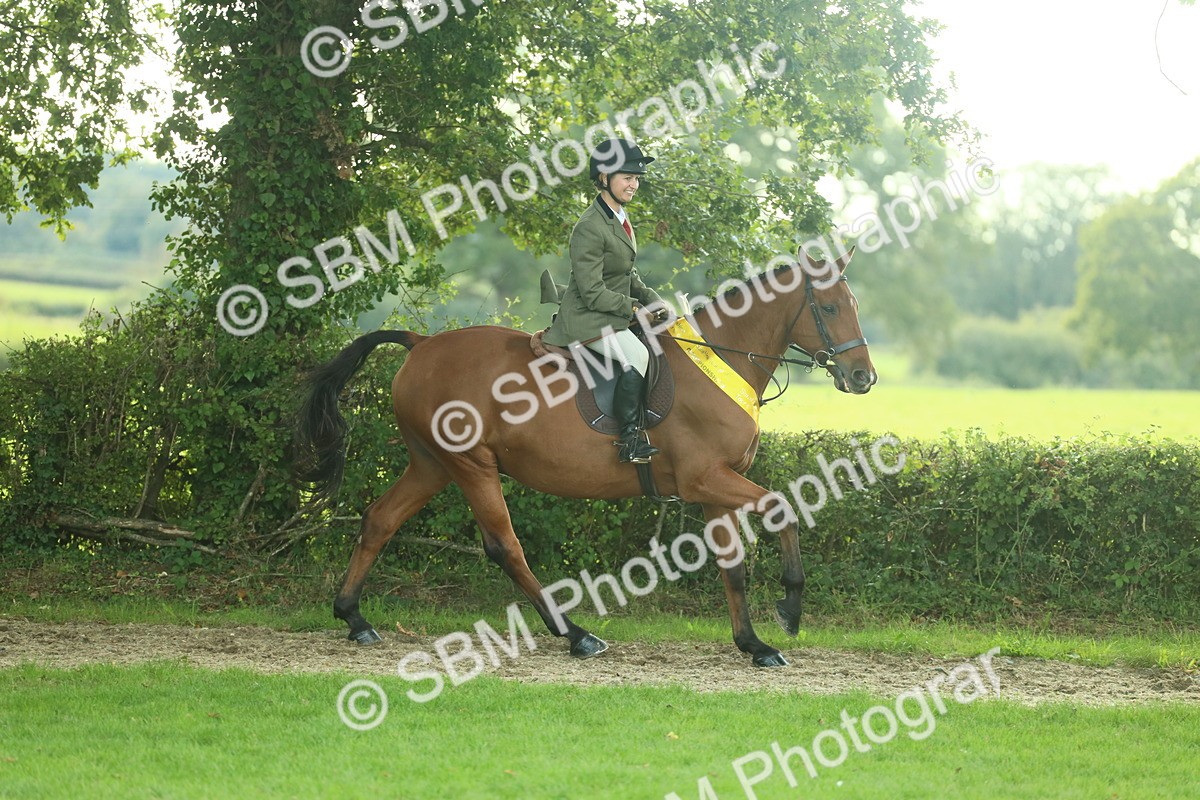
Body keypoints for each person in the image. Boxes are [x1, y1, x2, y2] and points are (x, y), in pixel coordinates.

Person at [543, 138, 665, 464]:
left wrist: (655, 301)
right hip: (587, 316)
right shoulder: (589, 227)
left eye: (637, 178)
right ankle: (629, 441)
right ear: (604, 178)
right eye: (627, 177)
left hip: (610, 310)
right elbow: (591, 290)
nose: (634, 184)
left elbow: (627, 274)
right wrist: (634, 308)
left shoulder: (618, 216)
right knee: (638, 355)